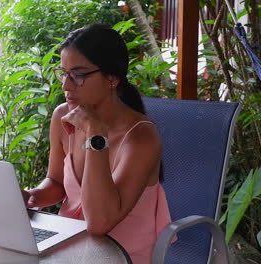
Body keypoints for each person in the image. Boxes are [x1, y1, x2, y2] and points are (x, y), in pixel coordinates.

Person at [22, 24, 173, 263]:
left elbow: (99, 223)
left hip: (123, 256)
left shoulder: (141, 138)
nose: (66, 86)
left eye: (79, 75)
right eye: (64, 73)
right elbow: (58, 182)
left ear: (112, 77)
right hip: (70, 247)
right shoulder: (63, 116)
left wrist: (95, 134)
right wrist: (32, 196)